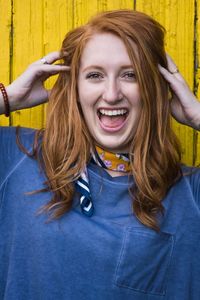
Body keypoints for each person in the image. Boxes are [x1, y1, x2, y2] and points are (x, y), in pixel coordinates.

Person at [0, 9, 200, 300]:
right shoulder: (16, 159)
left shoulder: (190, 193)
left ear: (155, 88)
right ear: (75, 88)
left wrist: (197, 116)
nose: (111, 93)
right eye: (94, 75)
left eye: (130, 75)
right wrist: (7, 98)